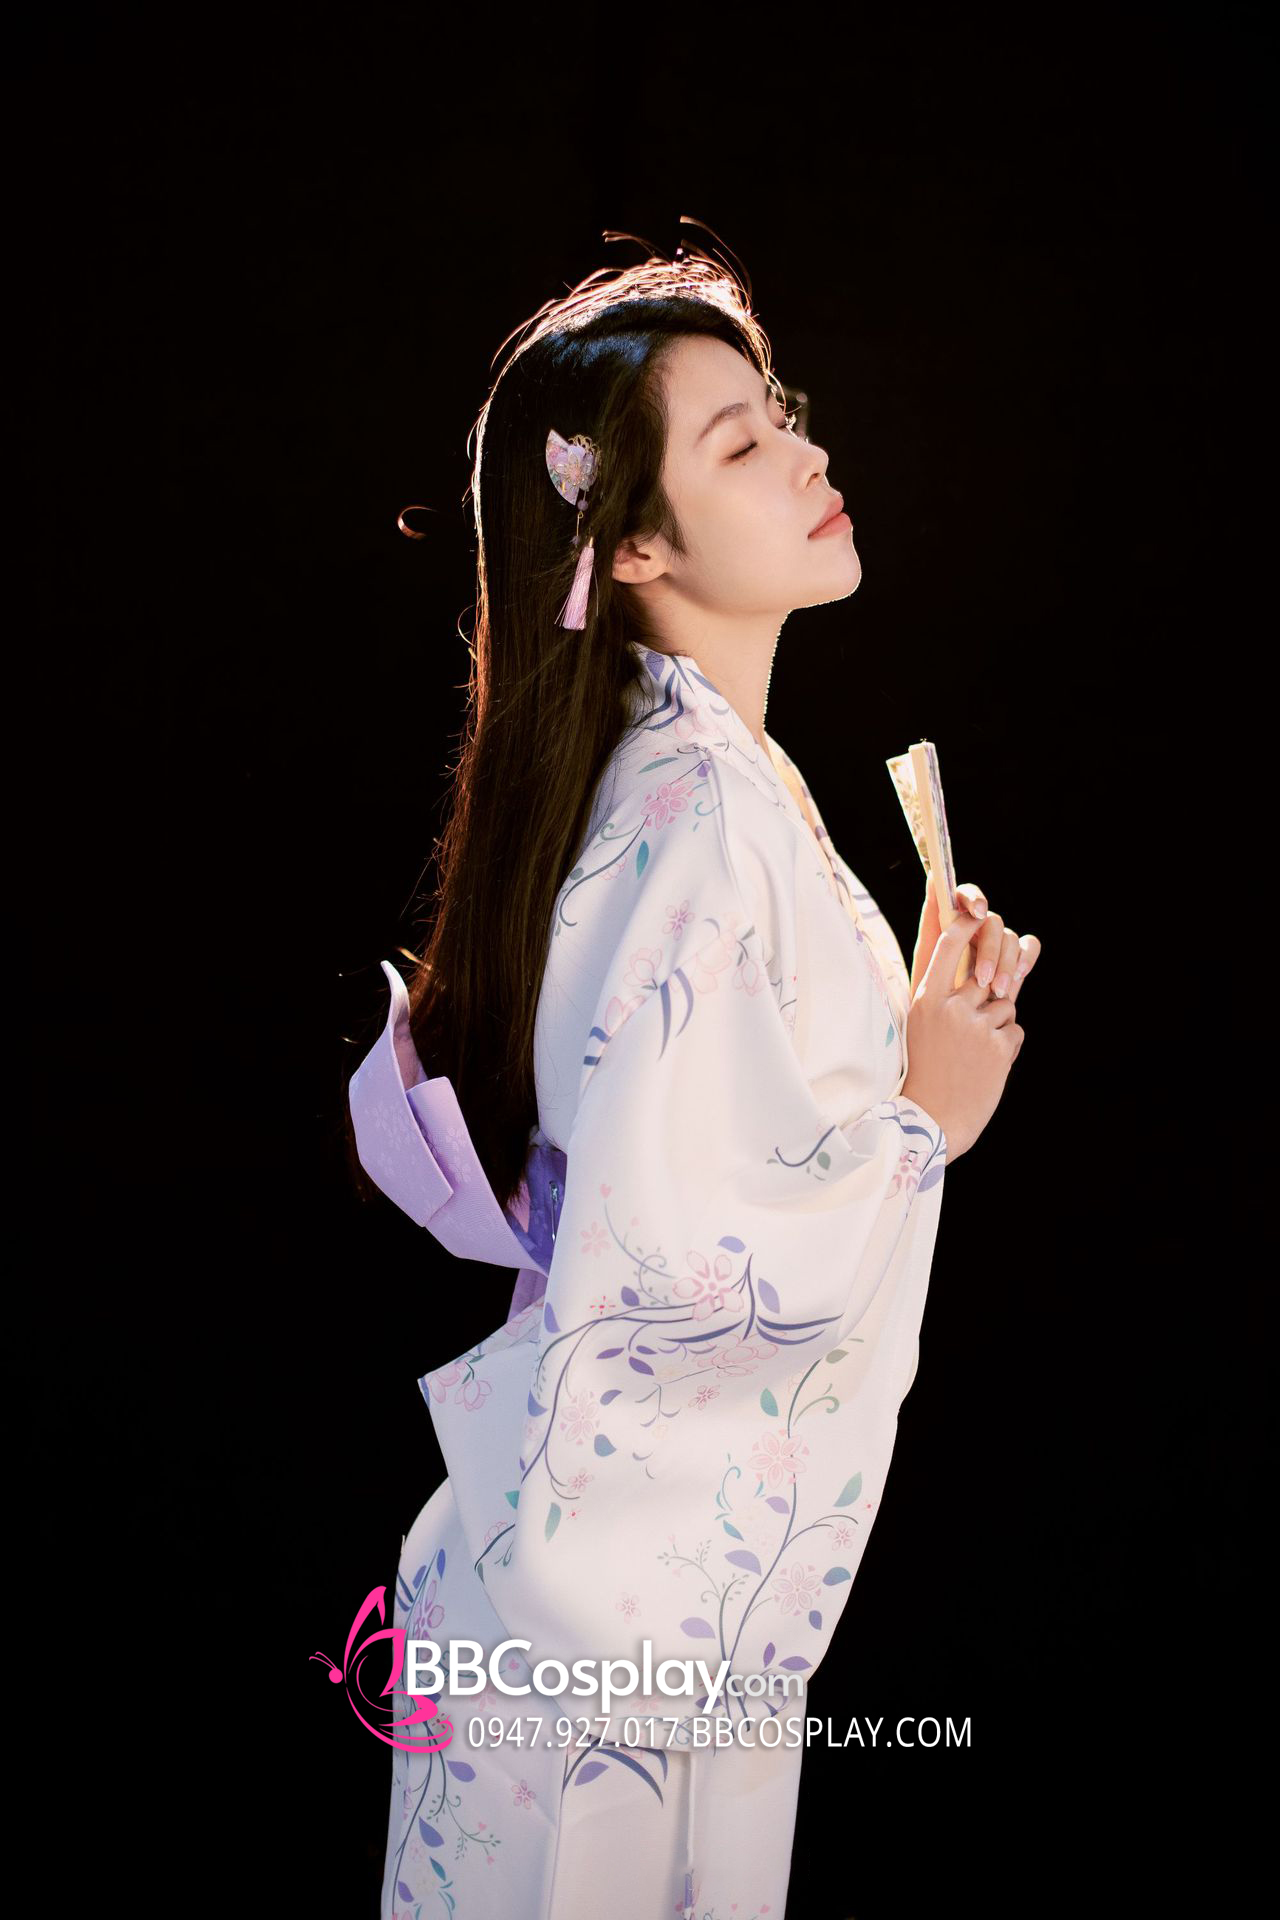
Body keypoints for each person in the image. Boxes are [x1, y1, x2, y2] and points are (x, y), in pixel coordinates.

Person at [346, 236, 1039, 1920]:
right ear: (636, 542)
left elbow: (709, 1139)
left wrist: (905, 1042)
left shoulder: (700, 778)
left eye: (781, 414)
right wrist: (924, 1121)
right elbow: (679, 1254)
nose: (807, 451)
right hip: (608, 1633)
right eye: (742, 443)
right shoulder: (699, 803)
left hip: (603, 1595)